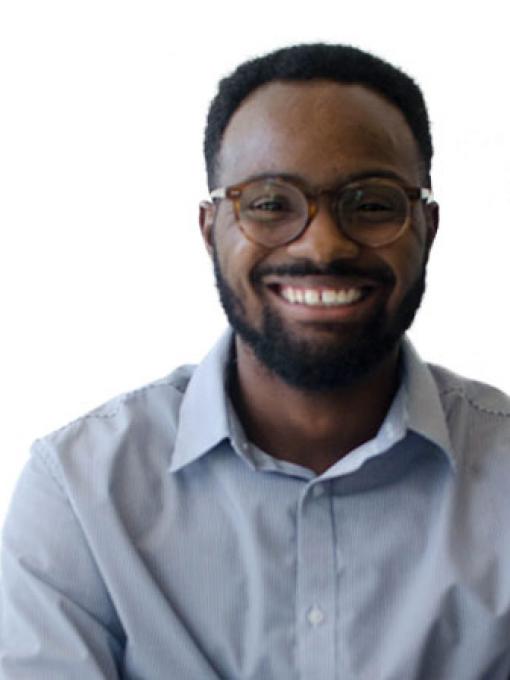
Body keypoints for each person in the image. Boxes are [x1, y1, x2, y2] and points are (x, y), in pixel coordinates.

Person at [1, 42, 510, 680]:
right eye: (270, 203)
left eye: (373, 204)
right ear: (209, 228)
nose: (323, 246)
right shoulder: (81, 492)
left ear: (427, 228)